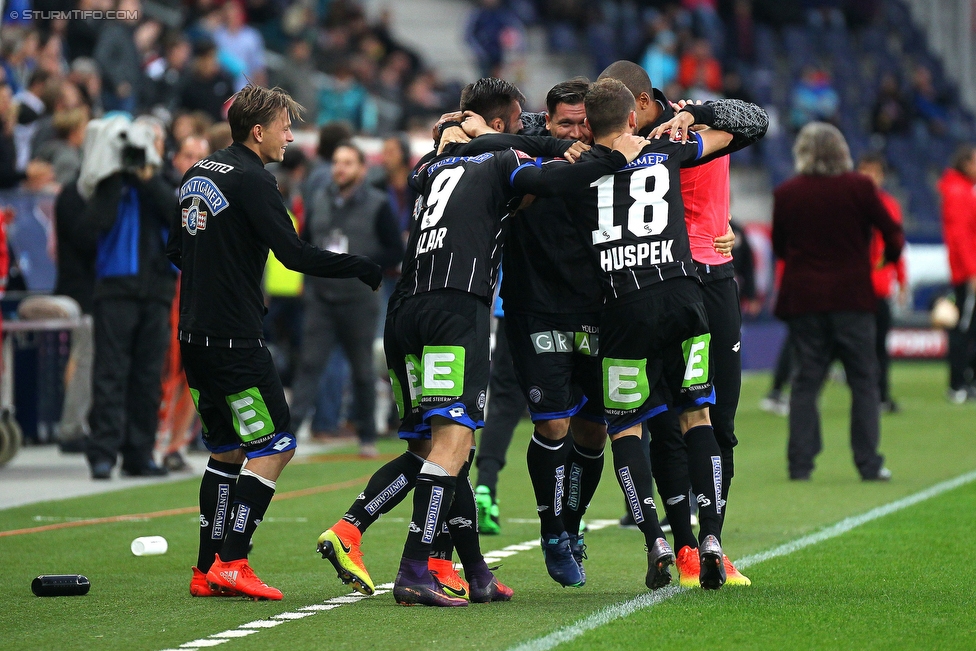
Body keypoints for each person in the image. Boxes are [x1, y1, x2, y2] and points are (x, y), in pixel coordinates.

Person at [316, 76, 643, 607]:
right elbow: (551, 177)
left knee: (441, 446)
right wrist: (610, 155)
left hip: (403, 312)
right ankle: (404, 561)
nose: (521, 133)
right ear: (497, 126)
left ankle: (468, 568)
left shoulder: (429, 168)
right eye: (515, 125)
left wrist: (461, 131)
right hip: (455, 307)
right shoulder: (498, 162)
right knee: (452, 443)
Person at [167, 83, 381, 601]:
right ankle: (234, 561)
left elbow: (176, 249)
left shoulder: (200, 171)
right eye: (285, 125)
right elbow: (295, 255)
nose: (291, 134)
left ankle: (205, 570)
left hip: (194, 336)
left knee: (225, 450)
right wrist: (362, 267)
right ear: (258, 131)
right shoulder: (254, 179)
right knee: (276, 443)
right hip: (234, 339)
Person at [600, 60, 765, 588]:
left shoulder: (686, 128)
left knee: (717, 420)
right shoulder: (627, 142)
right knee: (673, 420)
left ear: (645, 103)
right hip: (678, 278)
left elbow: (754, 117)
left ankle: (710, 540)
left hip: (706, 278)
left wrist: (696, 111)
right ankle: (690, 546)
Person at [772, 122, 903, 482]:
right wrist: (885, 259)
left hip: (805, 298)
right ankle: (868, 463)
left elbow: (779, 247)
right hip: (852, 297)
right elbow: (892, 231)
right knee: (863, 379)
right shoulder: (859, 187)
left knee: (806, 381)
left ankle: (800, 465)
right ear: (842, 152)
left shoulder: (787, 193)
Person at [289, 141, 404, 458]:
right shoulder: (319, 199)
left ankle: (366, 436)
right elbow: (304, 242)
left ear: (362, 169)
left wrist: (364, 263)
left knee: (362, 370)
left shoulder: (378, 203)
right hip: (321, 297)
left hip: (358, 298)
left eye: (348, 163)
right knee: (310, 364)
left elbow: (395, 249)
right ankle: (287, 435)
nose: (340, 168)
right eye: (337, 162)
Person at [85, 117, 178, 480]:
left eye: (151, 140)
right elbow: (99, 221)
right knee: (110, 372)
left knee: (148, 375)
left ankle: (140, 453)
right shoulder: (107, 180)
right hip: (116, 287)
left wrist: (148, 178)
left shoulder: (168, 181)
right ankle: (103, 453)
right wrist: (115, 171)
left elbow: (177, 214)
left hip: (156, 289)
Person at [858, 153, 907, 414]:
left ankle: (882, 395)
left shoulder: (889, 205)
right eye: (866, 170)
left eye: (875, 172)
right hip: (853, 288)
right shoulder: (849, 203)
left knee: (879, 346)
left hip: (878, 288)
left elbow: (896, 244)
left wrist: (901, 279)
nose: (870, 177)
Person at [937, 144, 976, 403]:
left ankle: (965, 381)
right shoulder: (959, 192)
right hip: (968, 272)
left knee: (967, 328)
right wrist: (972, 272)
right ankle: (958, 383)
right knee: (964, 329)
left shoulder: (960, 190)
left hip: (967, 270)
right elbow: (961, 237)